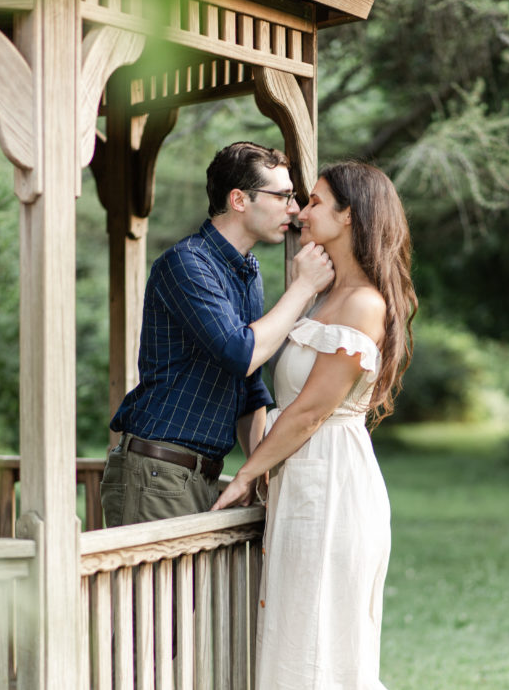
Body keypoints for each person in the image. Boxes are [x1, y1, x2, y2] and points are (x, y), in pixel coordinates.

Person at [212, 161, 467, 690]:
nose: (300, 212)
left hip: (332, 484)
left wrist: (245, 474)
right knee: (316, 641)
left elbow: (308, 413)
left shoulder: (363, 306)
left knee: (334, 647)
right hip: (304, 484)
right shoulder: (328, 296)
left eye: (316, 202)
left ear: (350, 215)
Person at [101, 141, 334, 527]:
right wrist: (303, 287)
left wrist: (257, 468)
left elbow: (249, 383)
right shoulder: (186, 263)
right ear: (240, 199)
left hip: (200, 475)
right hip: (158, 472)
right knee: (162, 592)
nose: (294, 210)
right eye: (283, 196)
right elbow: (239, 352)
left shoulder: (248, 270)